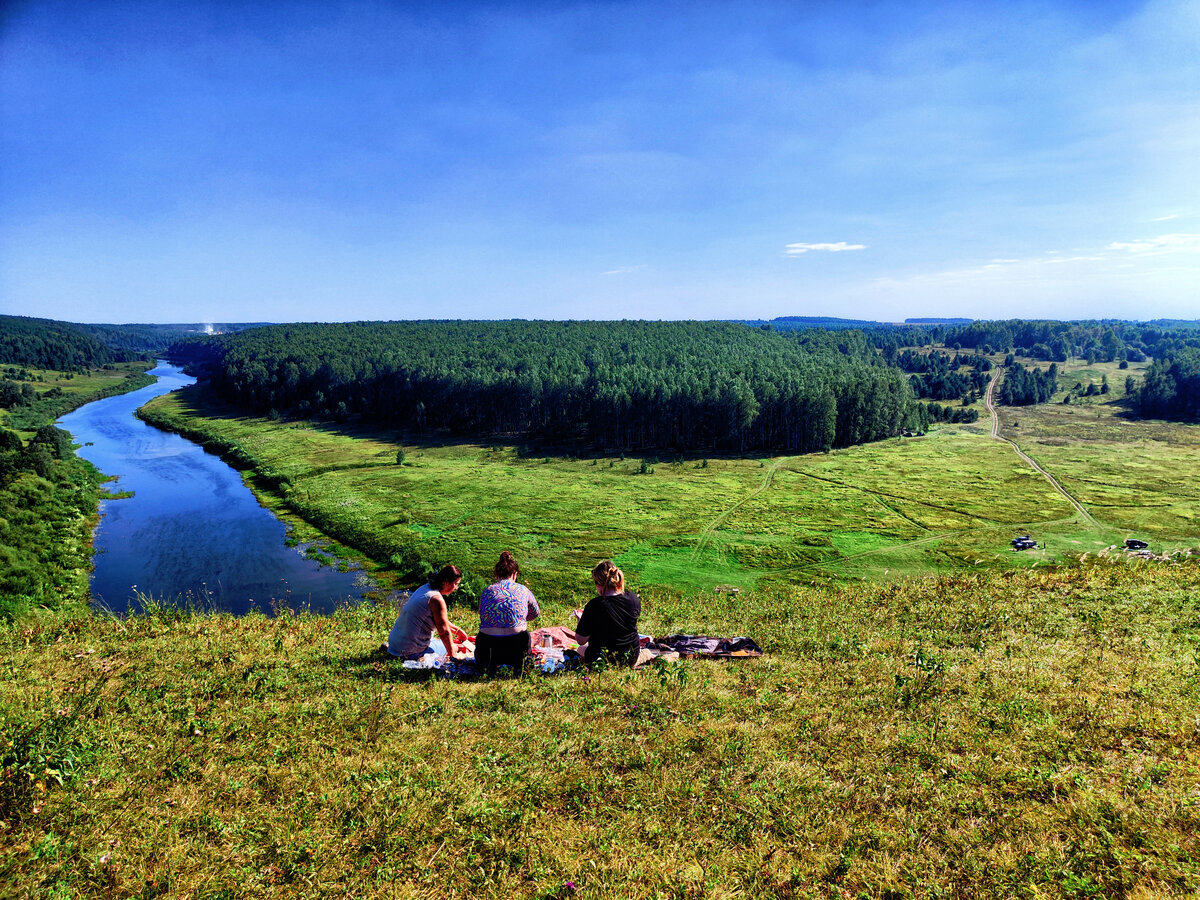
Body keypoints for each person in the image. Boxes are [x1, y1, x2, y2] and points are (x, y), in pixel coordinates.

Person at [475, 551, 540, 676]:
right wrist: (520, 618)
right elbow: (535, 613)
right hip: (516, 644)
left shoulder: (487, 591)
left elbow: (482, 614)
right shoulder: (523, 590)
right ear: (514, 574)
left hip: (488, 646)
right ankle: (520, 666)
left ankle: (487, 666)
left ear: (496, 574)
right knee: (525, 636)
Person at [387, 565, 470, 661]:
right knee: (456, 647)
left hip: (395, 645)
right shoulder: (436, 599)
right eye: (455, 583)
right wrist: (453, 655)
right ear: (445, 583)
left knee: (448, 644)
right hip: (409, 651)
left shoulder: (426, 588)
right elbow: (444, 632)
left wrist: (457, 631)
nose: (456, 587)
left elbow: (441, 621)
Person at [575, 560, 641, 668]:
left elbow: (581, 640)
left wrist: (580, 620)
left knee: (580, 649)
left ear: (598, 583)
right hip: (631, 655)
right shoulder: (633, 599)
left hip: (603, 659)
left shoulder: (594, 605)